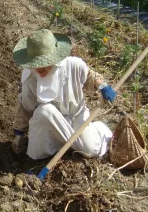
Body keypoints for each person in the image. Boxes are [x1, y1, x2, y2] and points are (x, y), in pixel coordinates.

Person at [11, 29, 117, 160]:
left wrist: (102, 86)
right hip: (51, 123)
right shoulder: (31, 78)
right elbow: (26, 107)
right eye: (36, 64)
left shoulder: (73, 65)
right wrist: (19, 133)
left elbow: (91, 76)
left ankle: (93, 132)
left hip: (77, 117)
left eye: (44, 62)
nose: (39, 68)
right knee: (44, 112)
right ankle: (67, 144)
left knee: (92, 150)